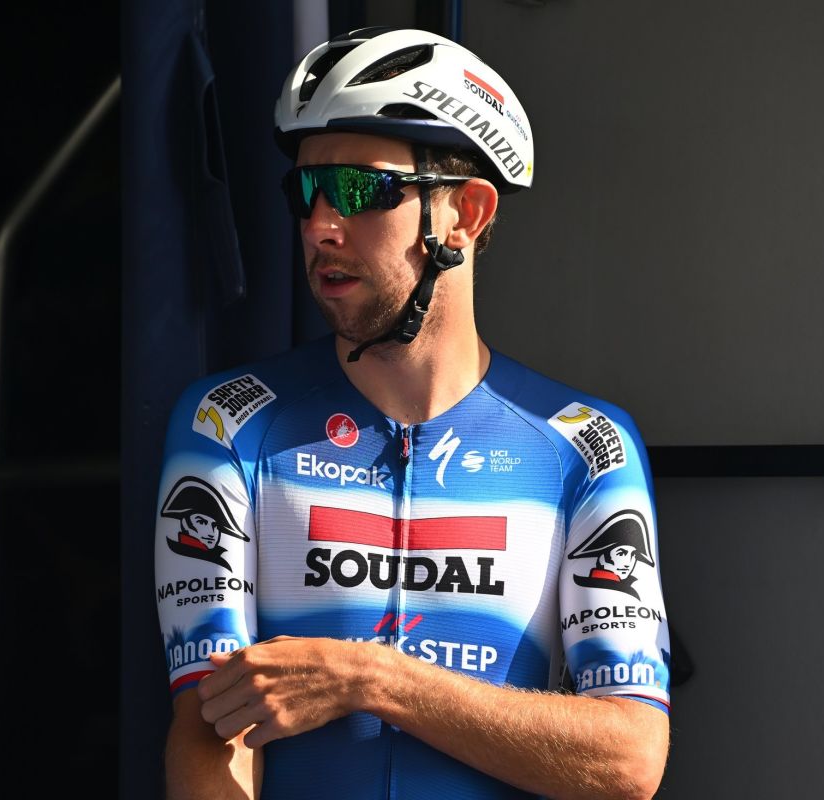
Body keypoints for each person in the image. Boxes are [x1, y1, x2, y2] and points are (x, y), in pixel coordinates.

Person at [154, 27, 671, 800]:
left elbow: (627, 759)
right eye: (304, 192)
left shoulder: (586, 448)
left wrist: (371, 678)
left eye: (359, 190)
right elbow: (211, 732)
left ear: (466, 214)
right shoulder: (228, 426)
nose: (320, 224)